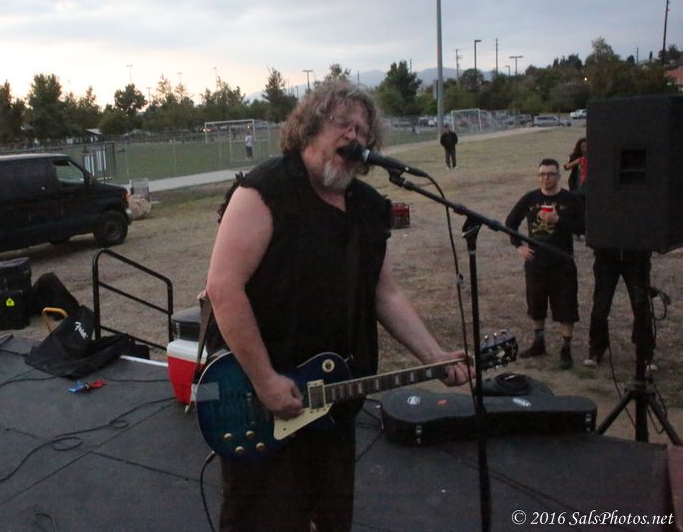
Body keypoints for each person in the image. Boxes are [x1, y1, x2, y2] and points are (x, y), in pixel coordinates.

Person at [206, 80, 472, 531]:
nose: (354, 136)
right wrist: (266, 380)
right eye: (342, 124)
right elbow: (223, 287)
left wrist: (434, 355)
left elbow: (384, 292)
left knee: (331, 518)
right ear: (310, 127)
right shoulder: (265, 190)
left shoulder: (368, 207)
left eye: (363, 130)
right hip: (262, 397)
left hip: (335, 398)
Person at [505, 159, 584, 369]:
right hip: (536, 263)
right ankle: (538, 343)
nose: (545, 178)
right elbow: (510, 223)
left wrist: (558, 220)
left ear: (559, 176)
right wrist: (519, 246)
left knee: (566, 307)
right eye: (542, 174)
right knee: (536, 304)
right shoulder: (530, 198)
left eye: (550, 174)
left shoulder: (570, 199)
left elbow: (583, 227)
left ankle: (566, 349)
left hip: (562, 262)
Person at [584, 249, 654, 367]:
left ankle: (645, 351)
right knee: (601, 304)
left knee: (641, 306)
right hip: (606, 255)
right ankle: (596, 348)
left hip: (637, 256)